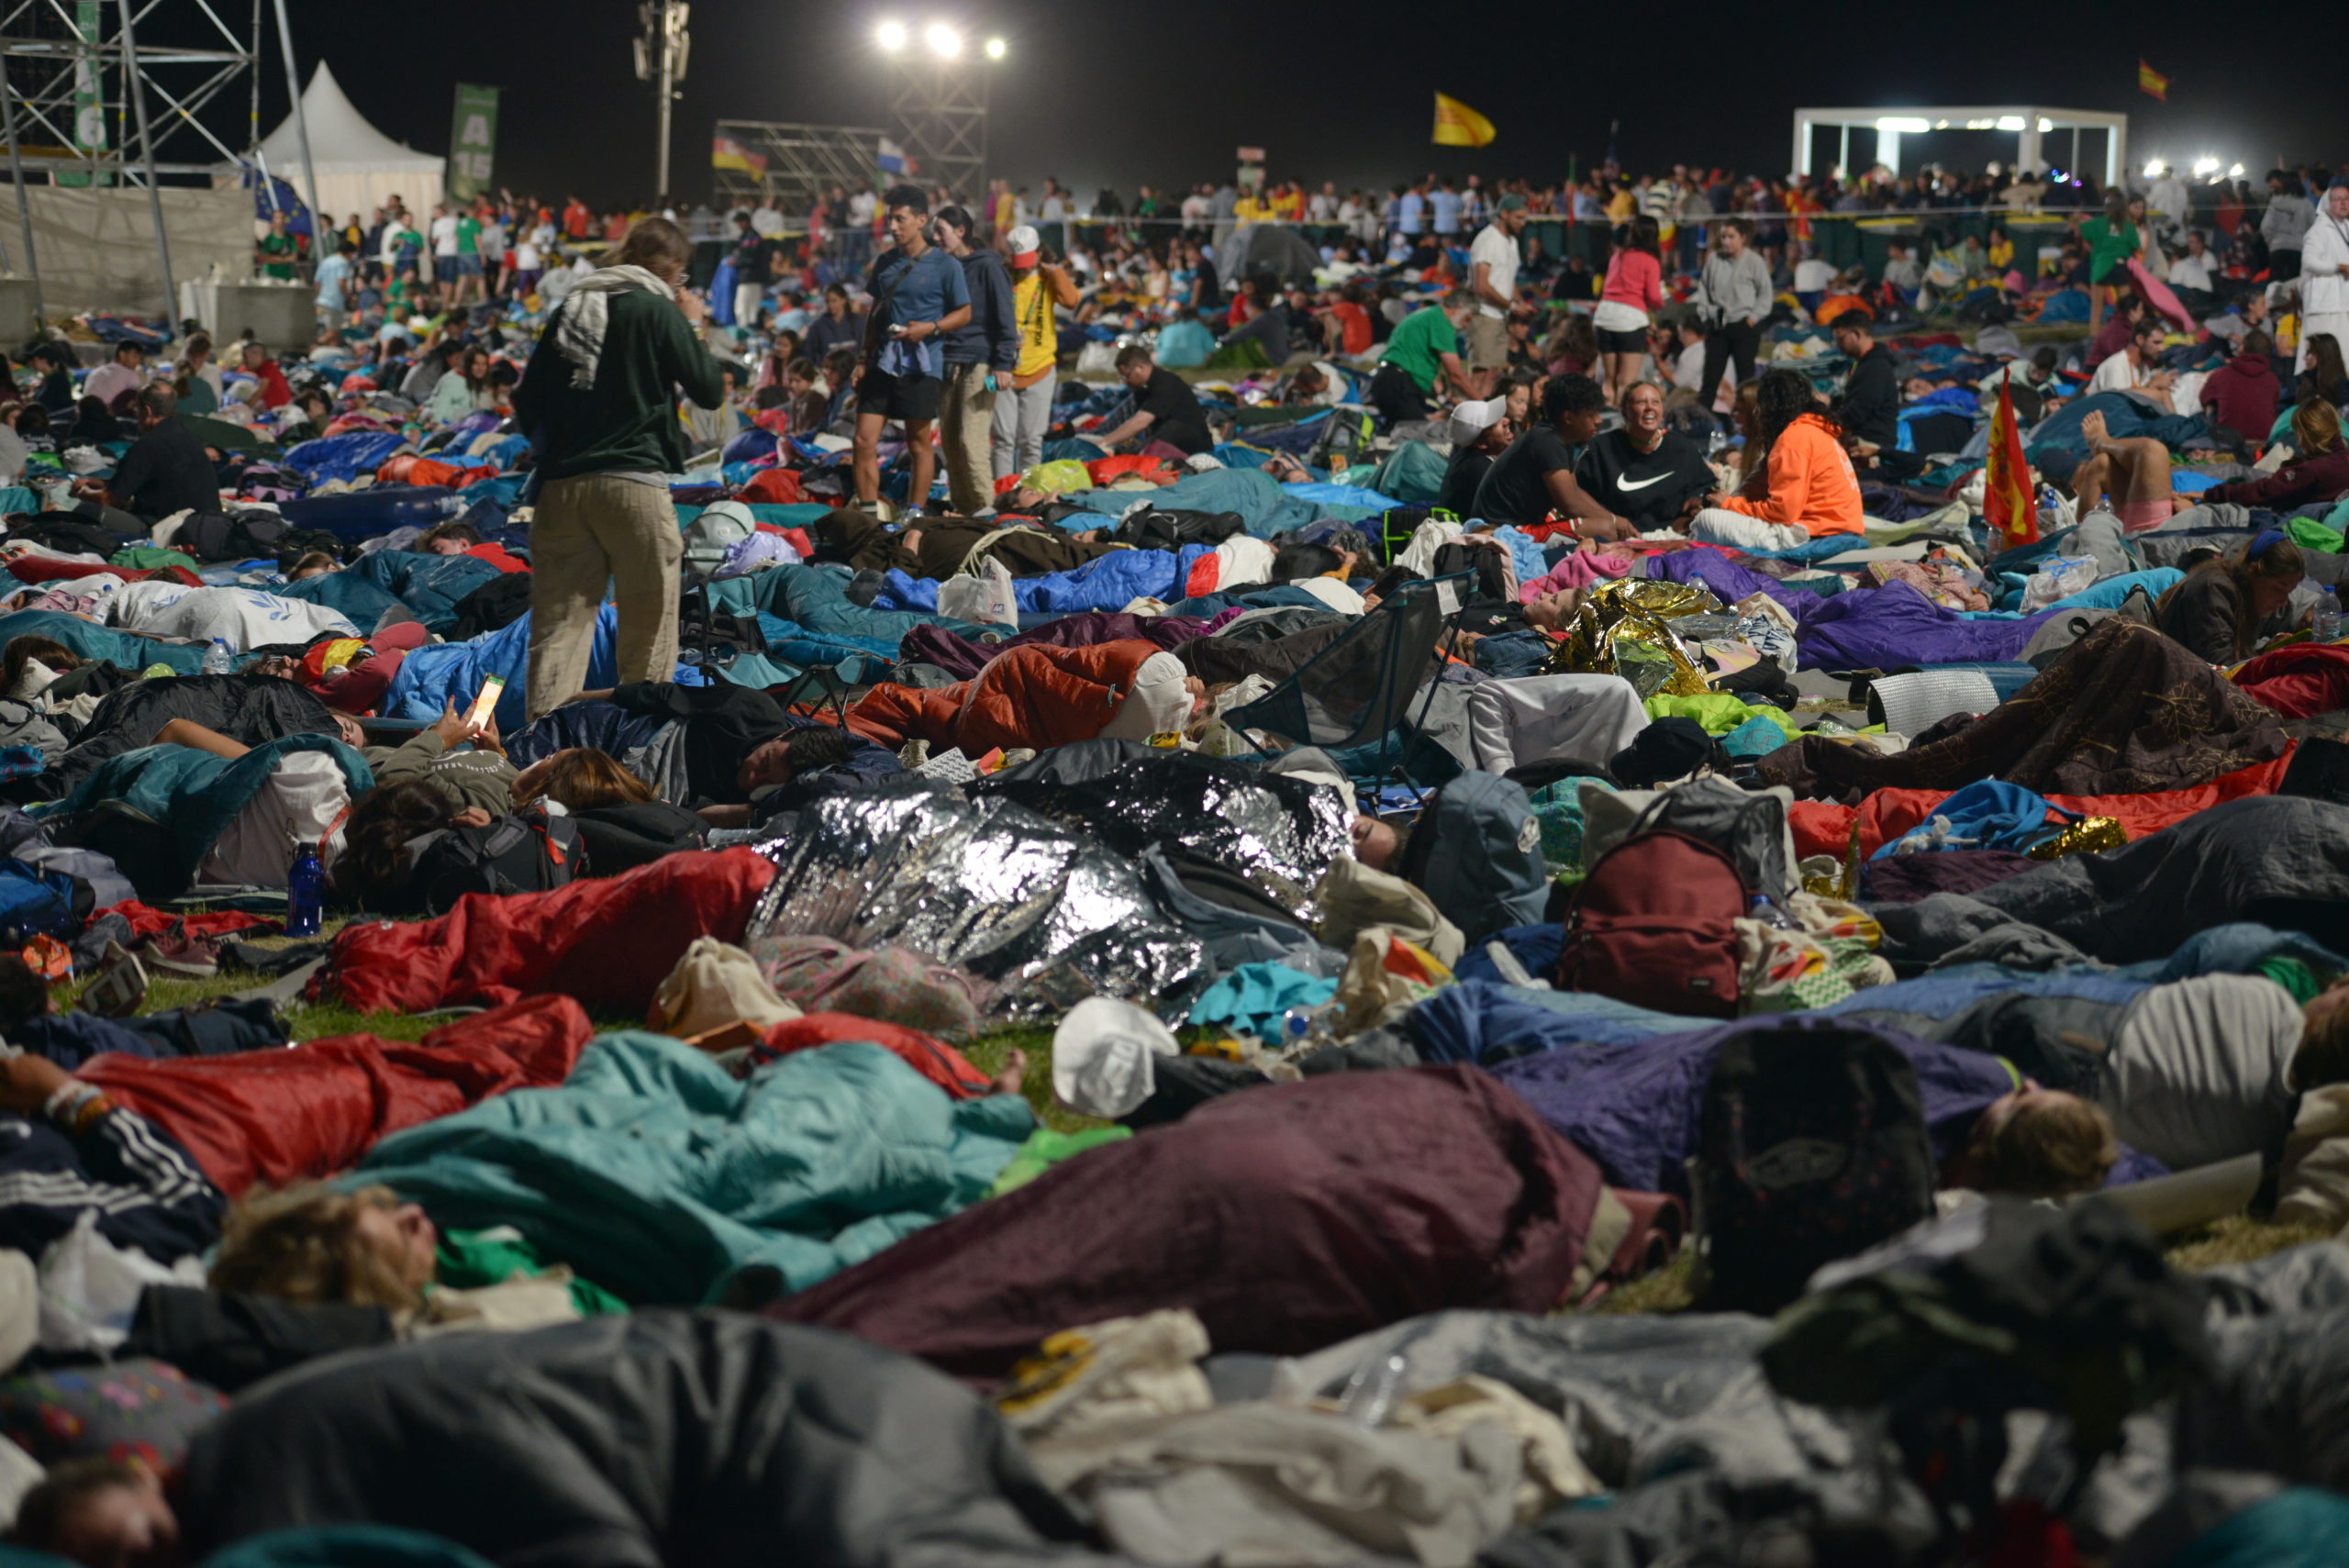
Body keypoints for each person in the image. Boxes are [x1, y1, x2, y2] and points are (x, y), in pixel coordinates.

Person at [513, 217, 723, 721]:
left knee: (559, 628)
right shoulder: (657, 308)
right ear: (672, 269)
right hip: (634, 484)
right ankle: (636, 738)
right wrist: (693, 323)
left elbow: (526, 401)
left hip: (563, 488)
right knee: (648, 625)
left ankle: (544, 741)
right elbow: (709, 389)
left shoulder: (573, 308)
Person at [852, 184, 971, 514]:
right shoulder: (885, 262)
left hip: (923, 365)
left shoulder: (946, 266)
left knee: (918, 443)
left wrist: (929, 328)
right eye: (890, 220)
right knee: (863, 440)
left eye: (900, 220)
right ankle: (868, 513)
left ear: (921, 220)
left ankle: (913, 515)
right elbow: (875, 312)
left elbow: (965, 312)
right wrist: (862, 359)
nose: (893, 227)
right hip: (882, 362)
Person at [1684, 367, 1862, 549]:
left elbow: (1783, 512)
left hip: (1818, 532)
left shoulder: (1795, 437)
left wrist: (1729, 504)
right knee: (1714, 517)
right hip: (1834, 527)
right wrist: (1730, 503)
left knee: (1707, 520)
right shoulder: (1811, 431)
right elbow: (1757, 487)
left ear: (1770, 407)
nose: (1756, 414)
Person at [1471, 373, 1633, 540]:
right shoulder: (1547, 441)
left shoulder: (1558, 437)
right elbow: (1569, 505)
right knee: (1604, 530)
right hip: (1500, 532)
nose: (1599, 421)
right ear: (1568, 417)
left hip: (1514, 526)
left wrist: (1612, 518)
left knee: (1607, 526)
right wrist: (1612, 521)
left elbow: (1575, 491)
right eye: (1592, 415)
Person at [931, 204, 1015, 516]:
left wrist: (1004, 363)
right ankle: (962, 511)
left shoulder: (988, 267)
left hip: (979, 362)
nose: (936, 238)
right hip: (947, 363)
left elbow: (1005, 316)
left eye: (941, 231)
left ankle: (985, 513)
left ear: (961, 231)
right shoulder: (943, 269)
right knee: (951, 443)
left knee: (972, 440)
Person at [70, 384, 215, 526]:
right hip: (205, 523)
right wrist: (97, 483)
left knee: (87, 510)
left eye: (137, 409)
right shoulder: (189, 438)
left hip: (168, 526)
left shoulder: (149, 444)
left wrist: (82, 491)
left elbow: (109, 500)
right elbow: (132, 482)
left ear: (147, 411)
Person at [2153, 529, 2306, 663]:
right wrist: (2265, 660)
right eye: (2278, 589)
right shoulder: (2214, 589)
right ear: (2253, 570)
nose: (2284, 602)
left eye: (2288, 592)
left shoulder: (2251, 597)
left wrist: (2268, 652)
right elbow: (2220, 665)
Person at [1577, 381, 1716, 528]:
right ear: (1625, 412)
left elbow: (1707, 484)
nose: (1650, 407)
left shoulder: (1682, 447)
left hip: (1674, 532)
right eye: (1641, 402)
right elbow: (1578, 493)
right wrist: (1610, 520)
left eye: (1655, 402)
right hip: (1618, 532)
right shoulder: (1601, 448)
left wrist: (1697, 500)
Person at [2204, 398, 2349, 511]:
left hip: (2284, 514)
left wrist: (2210, 495)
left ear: (2313, 433)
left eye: (2302, 436)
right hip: (2299, 504)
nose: (2299, 444)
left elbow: (2264, 491)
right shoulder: (2341, 459)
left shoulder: (2313, 470)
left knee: (2238, 473)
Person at [1694, 217, 1772, 407]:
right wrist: (1706, 314)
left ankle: (1748, 418)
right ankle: (1702, 418)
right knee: (1710, 377)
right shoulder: (1715, 259)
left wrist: (1752, 318)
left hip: (1743, 325)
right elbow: (1703, 289)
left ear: (1742, 237)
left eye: (1731, 236)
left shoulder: (1754, 261)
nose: (1727, 241)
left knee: (1745, 379)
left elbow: (1765, 293)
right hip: (1718, 325)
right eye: (1723, 237)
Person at [1369, 290, 1478, 425]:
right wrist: (1483, 404)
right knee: (1416, 430)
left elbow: (1422, 359)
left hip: (1390, 379)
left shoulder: (1428, 315)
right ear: (1458, 309)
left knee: (1408, 427)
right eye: (1467, 318)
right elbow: (1456, 375)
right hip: (1399, 383)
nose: (1465, 325)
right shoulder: (1441, 322)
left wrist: (1443, 396)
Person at [1594, 214, 1664, 401]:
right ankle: (1620, 419)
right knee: (1626, 382)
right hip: (1630, 320)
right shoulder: (1650, 261)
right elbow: (1654, 297)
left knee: (1608, 381)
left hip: (1604, 315)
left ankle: (1605, 415)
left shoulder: (1618, 256)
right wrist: (1659, 306)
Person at [1094, 343, 1209, 456]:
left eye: (1127, 376)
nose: (1124, 382)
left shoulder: (1166, 384)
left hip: (1192, 445)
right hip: (1168, 440)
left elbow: (1141, 421)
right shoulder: (1143, 388)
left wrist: (1104, 442)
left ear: (1140, 368)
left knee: (1171, 428)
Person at [1830, 312, 1906, 469]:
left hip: (1870, 442)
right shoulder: (1862, 363)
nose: (1838, 345)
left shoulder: (1875, 367)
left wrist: (1827, 426)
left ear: (1857, 334)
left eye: (1841, 338)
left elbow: (1859, 410)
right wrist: (1831, 401)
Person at [1464, 194, 1529, 378]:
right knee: (1481, 374)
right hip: (1484, 315)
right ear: (1504, 214)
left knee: (1493, 375)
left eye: (1524, 218)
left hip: (1501, 317)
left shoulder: (1512, 242)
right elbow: (1481, 286)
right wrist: (1512, 305)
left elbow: (1508, 280)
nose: (1523, 223)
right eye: (1518, 218)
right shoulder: (1487, 240)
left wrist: (1520, 303)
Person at [2080, 188, 2146, 338]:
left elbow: (2080, 231)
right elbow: (2137, 248)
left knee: (2096, 311)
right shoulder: (2128, 226)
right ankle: (2127, 338)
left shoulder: (2097, 223)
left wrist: (2094, 247)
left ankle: (2094, 342)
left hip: (2101, 267)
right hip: (2120, 266)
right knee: (2127, 309)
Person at [2300, 183, 2349, 375]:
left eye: (2346, 198)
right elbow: (2309, 262)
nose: (2343, 203)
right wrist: (2338, 267)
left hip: (2343, 302)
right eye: (2338, 199)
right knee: (2325, 355)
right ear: (2328, 203)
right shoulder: (2318, 230)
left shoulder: (2347, 228)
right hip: (2324, 304)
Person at [1435, 395, 1509, 515]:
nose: (1506, 421)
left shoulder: (1467, 455)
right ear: (1481, 444)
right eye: (1495, 424)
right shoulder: (1479, 468)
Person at [2203, 330, 2283, 442]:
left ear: (2242, 348)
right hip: (2264, 439)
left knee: (2210, 406)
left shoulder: (2222, 374)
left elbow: (2204, 398)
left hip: (2228, 440)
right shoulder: (2273, 380)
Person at [2087, 316, 2178, 410]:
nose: (2161, 349)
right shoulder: (2116, 365)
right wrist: (2151, 385)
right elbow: (2113, 402)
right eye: (2156, 343)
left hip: (2127, 415)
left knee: (2163, 391)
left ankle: (2175, 420)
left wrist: (2158, 384)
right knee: (2157, 393)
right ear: (2140, 340)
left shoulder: (2143, 368)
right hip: (2099, 414)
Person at [2263, 169, 2314, 284]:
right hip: (2298, 247)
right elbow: (2314, 226)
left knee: (2275, 286)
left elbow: (2266, 226)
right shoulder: (2306, 203)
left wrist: (2271, 242)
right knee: (2294, 285)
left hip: (2277, 247)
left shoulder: (2275, 201)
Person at [802, 282, 859, 362]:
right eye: (827, 301)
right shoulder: (818, 326)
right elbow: (809, 353)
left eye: (834, 301)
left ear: (843, 300)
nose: (830, 305)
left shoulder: (858, 322)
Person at [82, 340, 147, 409]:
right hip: (111, 413)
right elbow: (140, 400)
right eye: (135, 357)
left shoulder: (94, 372)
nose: (138, 361)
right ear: (122, 355)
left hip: (87, 412)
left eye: (139, 358)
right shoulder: (130, 375)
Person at [256, 208, 297, 281]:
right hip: (269, 276)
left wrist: (275, 259)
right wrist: (284, 259)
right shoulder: (269, 239)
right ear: (273, 220)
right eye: (277, 218)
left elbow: (293, 258)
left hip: (285, 276)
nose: (280, 220)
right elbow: (265, 258)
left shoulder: (291, 239)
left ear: (285, 219)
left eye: (282, 217)